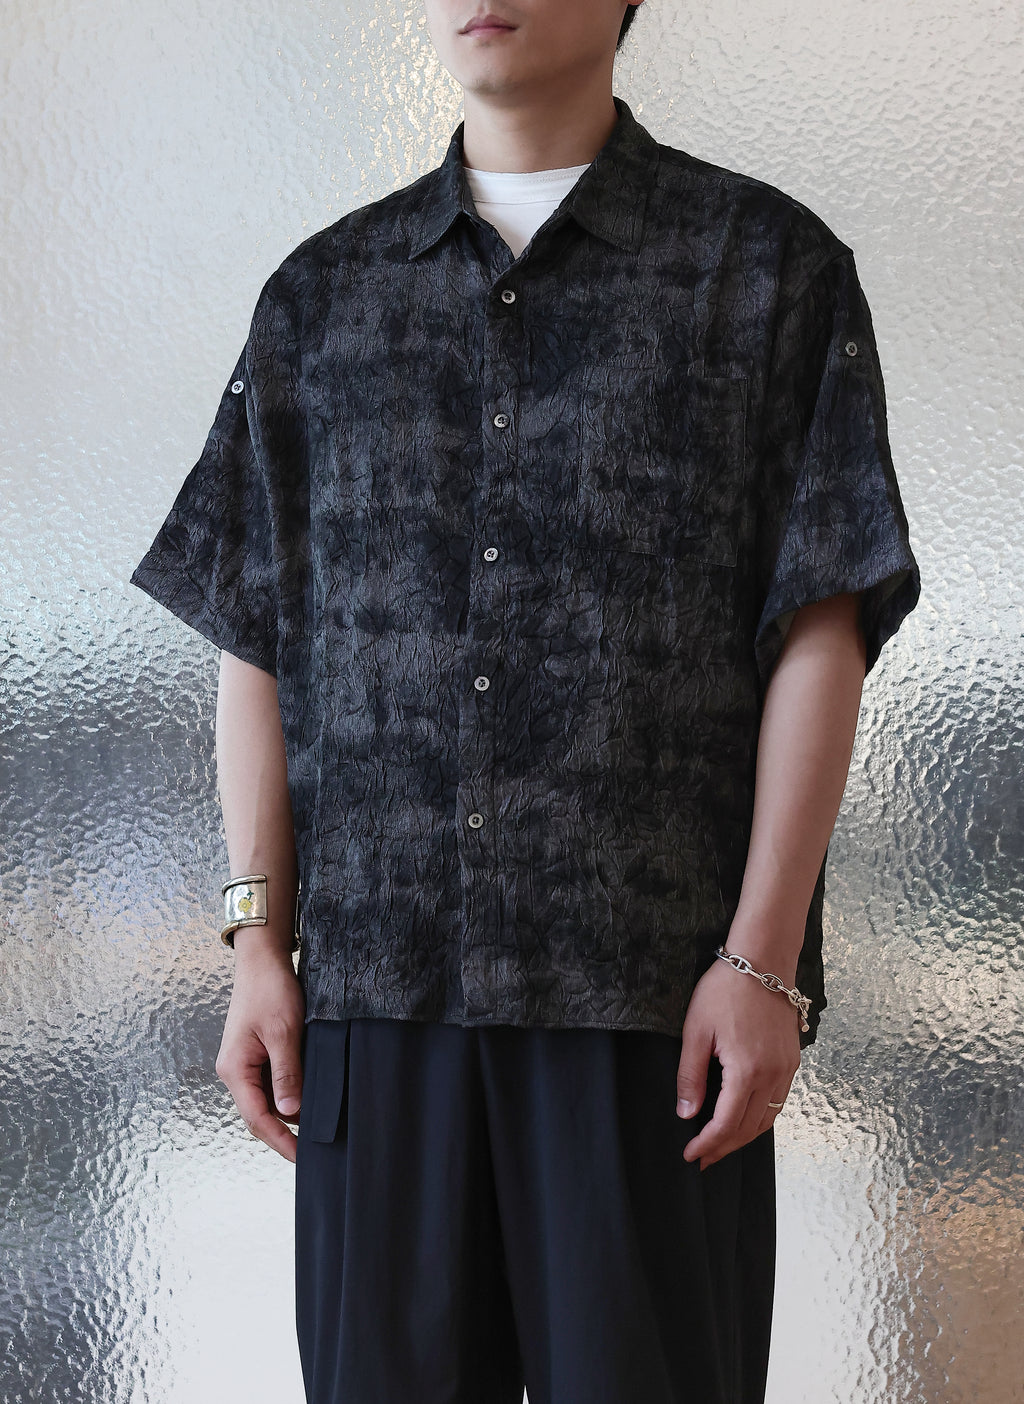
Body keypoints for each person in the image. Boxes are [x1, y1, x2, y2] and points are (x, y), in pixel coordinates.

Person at [129, 2, 921, 1400]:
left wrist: (761, 964)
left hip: (654, 1007)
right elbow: (259, 636)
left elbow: (822, 623)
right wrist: (257, 941)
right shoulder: (323, 296)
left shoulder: (764, 271)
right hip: (376, 1004)